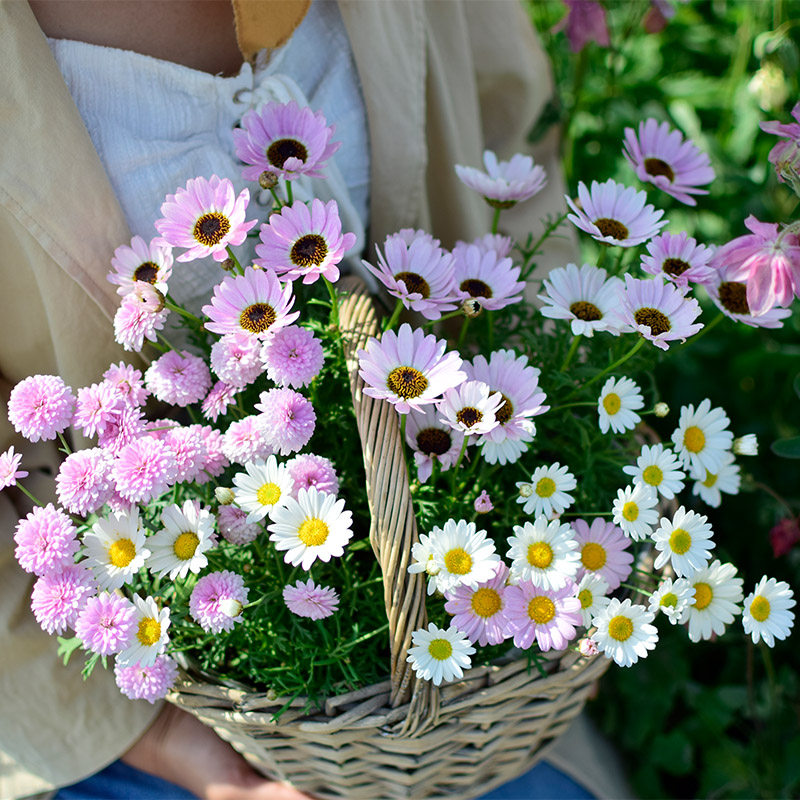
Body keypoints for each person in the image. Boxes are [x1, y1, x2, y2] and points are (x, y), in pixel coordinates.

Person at [0, 1, 624, 798]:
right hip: (115, 698)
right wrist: (161, 735)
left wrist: (573, 577)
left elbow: (515, 145)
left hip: (464, 649)